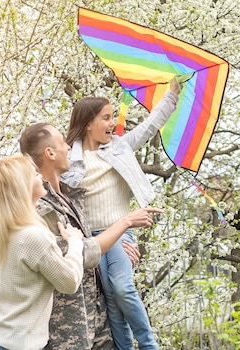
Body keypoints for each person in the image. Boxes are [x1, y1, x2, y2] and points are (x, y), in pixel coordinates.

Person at [61, 77, 182, 350]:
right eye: (105, 118)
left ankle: (149, 345)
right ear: (88, 122)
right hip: (89, 238)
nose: (112, 123)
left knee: (123, 288)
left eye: (113, 116)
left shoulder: (120, 147)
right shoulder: (68, 160)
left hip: (118, 233)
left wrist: (171, 95)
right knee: (111, 302)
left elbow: (149, 126)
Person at [19, 122, 162, 350]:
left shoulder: (73, 196)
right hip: (65, 334)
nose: (69, 147)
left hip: (99, 326)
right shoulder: (41, 209)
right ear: (50, 153)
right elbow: (78, 256)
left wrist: (118, 250)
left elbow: (93, 248)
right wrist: (125, 222)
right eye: (62, 142)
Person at [0, 154, 85, 350]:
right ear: (22, 186)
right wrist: (75, 243)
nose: (41, 177)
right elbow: (69, 282)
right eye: (35, 174)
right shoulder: (35, 236)